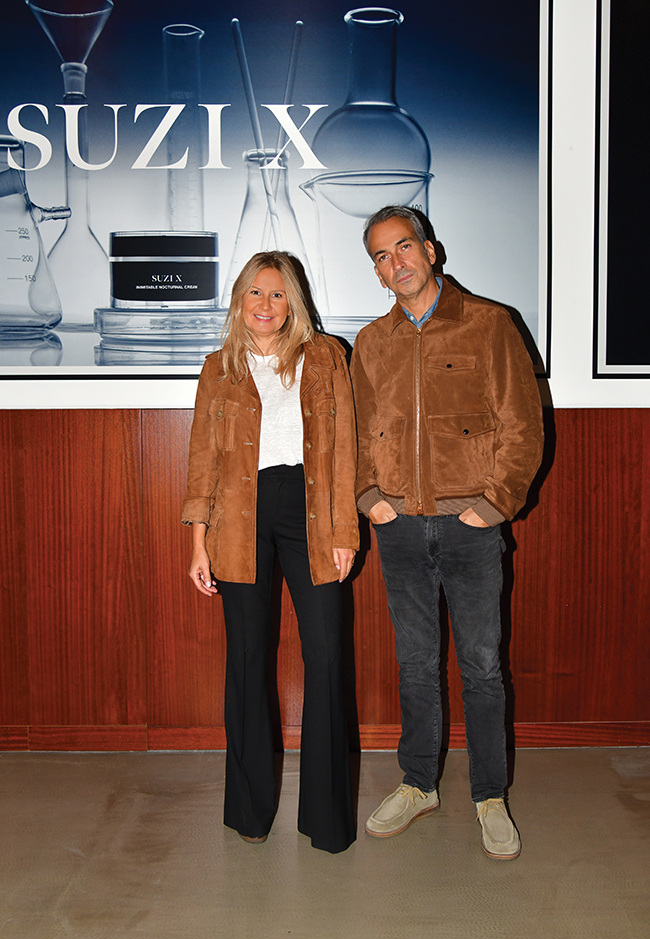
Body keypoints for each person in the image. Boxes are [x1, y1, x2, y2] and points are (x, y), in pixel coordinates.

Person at [350, 206, 544, 859]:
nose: (395, 262)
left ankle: (490, 795)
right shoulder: (371, 342)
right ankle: (418, 784)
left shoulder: (490, 323)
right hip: (399, 528)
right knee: (415, 665)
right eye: (381, 256)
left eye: (403, 247)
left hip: (471, 528)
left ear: (430, 250)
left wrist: (494, 505)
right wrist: (370, 498)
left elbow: (523, 424)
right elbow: (356, 434)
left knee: (482, 666)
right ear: (377, 272)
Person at [182, 251, 359, 854]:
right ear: (239, 301)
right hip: (239, 519)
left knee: (327, 657)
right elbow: (202, 459)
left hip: (312, 515)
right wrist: (198, 542)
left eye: (278, 294)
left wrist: (344, 532)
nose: (265, 304)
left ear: (293, 303)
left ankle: (327, 820)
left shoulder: (326, 356)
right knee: (248, 661)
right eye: (255, 293)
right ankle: (250, 811)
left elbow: (345, 449)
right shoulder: (219, 368)